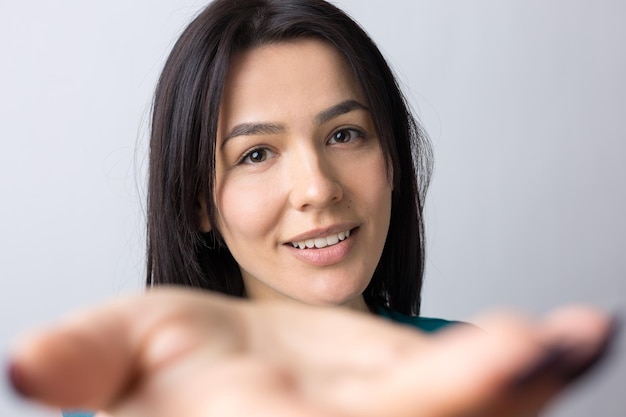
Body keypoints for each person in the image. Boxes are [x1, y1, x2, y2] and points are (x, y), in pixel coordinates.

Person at [8, 1, 616, 416]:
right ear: (197, 203)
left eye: (344, 135)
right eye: (255, 154)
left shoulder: (469, 371)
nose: (317, 188)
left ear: (394, 162)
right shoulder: (127, 396)